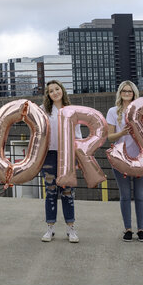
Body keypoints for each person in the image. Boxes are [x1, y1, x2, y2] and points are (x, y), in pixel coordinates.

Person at [106, 80, 143, 242]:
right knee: (125, 195)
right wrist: (122, 133)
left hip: (141, 158)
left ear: (134, 93)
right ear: (120, 93)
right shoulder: (113, 112)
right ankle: (128, 229)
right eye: (124, 91)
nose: (127, 93)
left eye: (130, 91)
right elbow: (109, 136)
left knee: (140, 195)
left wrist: (141, 132)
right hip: (121, 159)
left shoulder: (142, 111)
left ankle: (141, 229)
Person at [40, 80, 80, 243]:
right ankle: (50, 228)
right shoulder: (43, 110)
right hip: (49, 155)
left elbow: (77, 134)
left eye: (57, 89)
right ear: (48, 95)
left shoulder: (71, 110)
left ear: (62, 90)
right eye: (51, 91)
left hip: (67, 156)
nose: (55, 92)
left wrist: (77, 157)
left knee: (67, 191)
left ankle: (71, 229)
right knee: (50, 191)